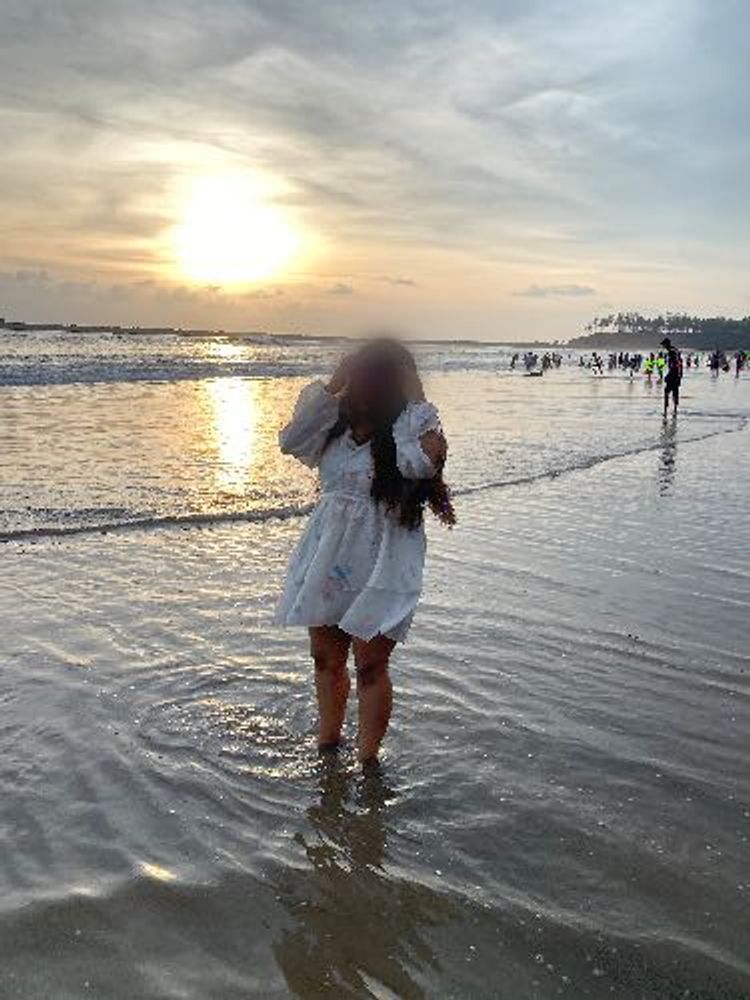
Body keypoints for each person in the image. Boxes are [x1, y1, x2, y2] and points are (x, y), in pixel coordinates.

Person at [275, 338, 455, 763]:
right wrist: (334, 382)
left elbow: (427, 462)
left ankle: (368, 760)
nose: (365, 386)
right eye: (361, 374)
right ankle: (327, 744)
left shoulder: (406, 433)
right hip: (327, 557)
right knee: (325, 658)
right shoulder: (331, 428)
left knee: (370, 666)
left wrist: (417, 398)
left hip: (383, 562)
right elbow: (290, 440)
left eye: (378, 377)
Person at [660, 337, 682, 417]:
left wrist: (668, 375)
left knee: (666, 392)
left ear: (666, 344)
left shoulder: (671, 352)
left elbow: (674, 365)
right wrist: (680, 375)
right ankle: (675, 410)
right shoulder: (675, 350)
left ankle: (665, 411)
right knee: (675, 392)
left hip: (673, 375)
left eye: (664, 345)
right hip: (677, 375)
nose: (663, 347)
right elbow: (679, 363)